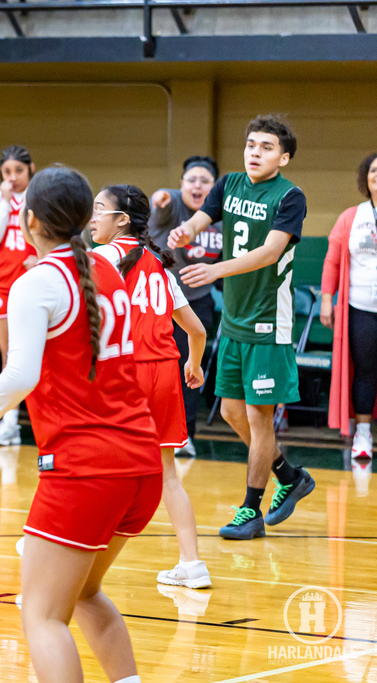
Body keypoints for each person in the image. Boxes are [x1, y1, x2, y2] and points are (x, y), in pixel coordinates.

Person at [0, 165, 162, 683]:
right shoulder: (105, 269)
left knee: (42, 613)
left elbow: (21, 374)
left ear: (28, 219)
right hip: (141, 464)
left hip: (86, 467)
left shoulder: (36, 282)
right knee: (86, 594)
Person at [169, 114, 314, 540]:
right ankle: (289, 475)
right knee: (232, 412)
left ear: (283, 157)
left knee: (258, 417)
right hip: (234, 319)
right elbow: (203, 217)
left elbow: (269, 252)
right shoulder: (228, 184)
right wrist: (183, 231)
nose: (256, 152)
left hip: (269, 321)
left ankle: (250, 510)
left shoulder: (290, 196)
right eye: (252, 144)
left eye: (267, 147)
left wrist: (215, 272)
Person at [90, 184, 211, 589]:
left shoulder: (99, 258)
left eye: (99, 209)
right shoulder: (158, 264)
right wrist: (194, 364)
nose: (92, 218)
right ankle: (192, 565)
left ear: (121, 219)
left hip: (126, 372)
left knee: (94, 464)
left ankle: (57, 547)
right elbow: (196, 329)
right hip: (164, 372)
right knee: (167, 475)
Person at [148, 156, 223, 456]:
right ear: (181, 185)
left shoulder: (219, 217)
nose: (197, 185)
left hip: (198, 301)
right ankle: (148, 432)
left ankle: (185, 435)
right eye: (191, 180)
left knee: (191, 369)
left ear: (214, 187)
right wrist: (160, 199)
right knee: (157, 369)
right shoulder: (171, 205)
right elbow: (159, 201)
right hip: (159, 300)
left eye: (205, 181)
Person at [320, 151, 377, 458]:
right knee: (366, 370)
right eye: (373, 171)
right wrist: (327, 300)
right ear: (365, 179)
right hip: (361, 307)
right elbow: (332, 262)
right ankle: (363, 435)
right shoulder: (350, 218)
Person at [0, 146, 38, 445]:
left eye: (18, 171)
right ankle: (10, 421)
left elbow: (57, 236)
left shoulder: (40, 196)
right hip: (2, 282)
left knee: (37, 351)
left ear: (30, 169)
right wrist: (5, 203)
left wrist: (40, 257)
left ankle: (43, 420)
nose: (12, 177)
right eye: (7, 172)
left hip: (33, 281)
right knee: (9, 352)